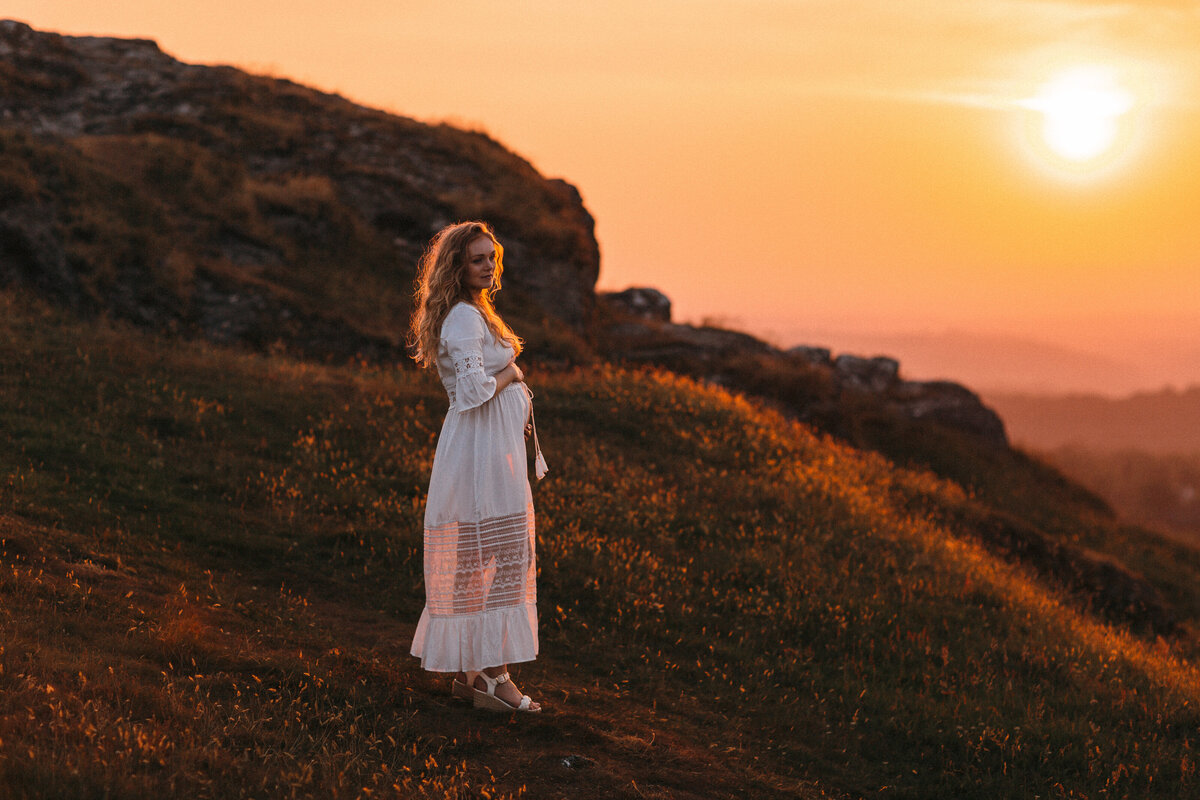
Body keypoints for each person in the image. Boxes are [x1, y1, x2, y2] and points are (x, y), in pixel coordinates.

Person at [407, 221, 544, 712]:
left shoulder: (475, 311)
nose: (488, 265)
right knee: (500, 557)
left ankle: (474, 675)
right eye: (477, 259)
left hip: (488, 448)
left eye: (491, 257)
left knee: (477, 559)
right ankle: (494, 677)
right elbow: (471, 392)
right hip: (480, 453)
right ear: (456, 266)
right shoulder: (464, 318)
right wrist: (511, 372)